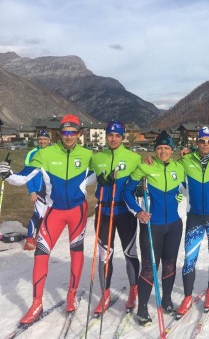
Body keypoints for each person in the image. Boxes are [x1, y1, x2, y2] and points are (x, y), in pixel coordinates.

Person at [0, 115, 93, 324]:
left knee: (76, 252)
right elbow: (23, 177)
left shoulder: (88, 155)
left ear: (79, 134)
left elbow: (103, 172)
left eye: (73, 132)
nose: (69, 136)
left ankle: (72, 293)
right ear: (59, 133)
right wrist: (7, 174)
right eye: (65, 132)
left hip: (77, 211)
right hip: (54, 212)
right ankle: (37, 303)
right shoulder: (45, 154)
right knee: (41, 255)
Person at [123, 130, 185, 325]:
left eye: (167, 148)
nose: (163, 151)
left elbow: (182, 189)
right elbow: (126, 192)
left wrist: (179, 197)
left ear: (172, 150)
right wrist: (138, 211)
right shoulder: (145, 167)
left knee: (170, 264)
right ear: (155, 150)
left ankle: (166, 299)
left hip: (174, 224)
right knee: (150, 267)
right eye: (159, 148)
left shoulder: (179, 167)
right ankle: (142, 308)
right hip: (153, 226)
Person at [176, 127, 209, 316]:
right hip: (194, 217)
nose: (205, 144)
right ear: (196, 142)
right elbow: (176, 179)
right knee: (189, 259)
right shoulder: (186, 161)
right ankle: (187, 296)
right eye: (202, 141)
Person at [90, 121, 141, 314]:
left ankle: (133, 292)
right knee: (105, 256)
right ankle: (105, 295)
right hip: (103, 212)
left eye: (117, 135)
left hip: (125, 213)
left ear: (123, 137)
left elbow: (142, 174)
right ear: (106, 136)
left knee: (130, 254)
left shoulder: (134, 157)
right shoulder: (97, 158)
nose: (113, 138)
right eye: (110, 135)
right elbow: (84, 175)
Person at [23, 129, 51, 250]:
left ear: (49, 140)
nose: (42, 141)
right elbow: (26, 175)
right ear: (37, 140)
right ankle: (29, 239)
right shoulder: (32, 154)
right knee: (37, 214)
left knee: (46, 214)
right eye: (40, 139)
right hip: (38, 189)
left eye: (45, 139)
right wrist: (32, 191)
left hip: (50, 189)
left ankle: (40, 237)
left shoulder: (53, 152)